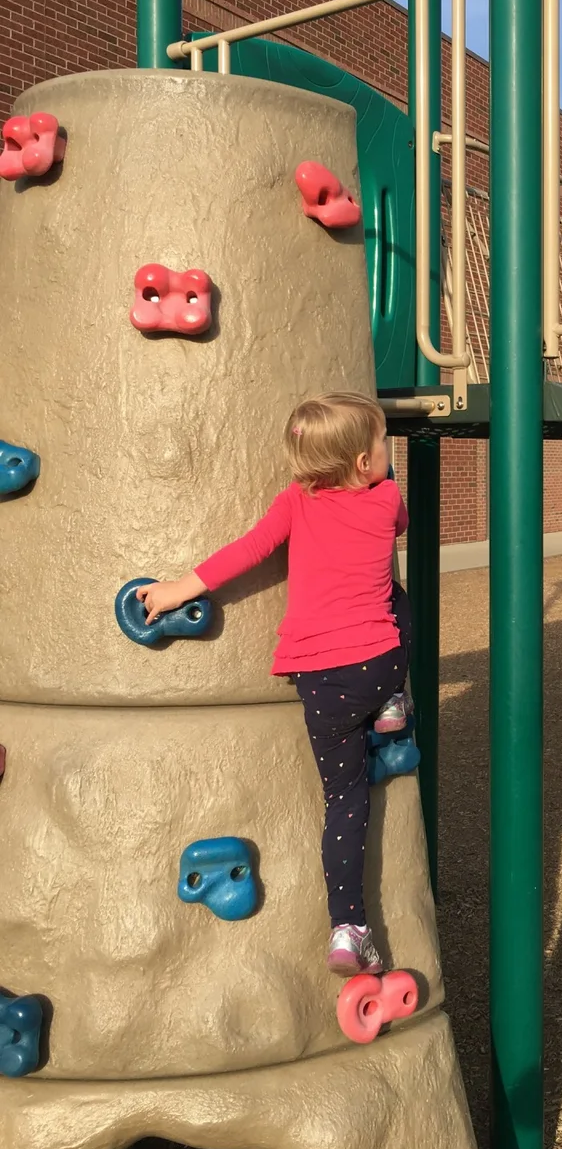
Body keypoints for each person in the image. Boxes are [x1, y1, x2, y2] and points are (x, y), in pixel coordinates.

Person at [136, 392, 411, 976]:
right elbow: (396, 529)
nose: (389, 452)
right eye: (384, 443)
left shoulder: (295, 503)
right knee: (398, 599)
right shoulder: (387, 497)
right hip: (377, 662)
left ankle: (347, 928)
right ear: (364, 463)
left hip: (318, 679)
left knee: (343, 799)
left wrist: (178, 589)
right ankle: (392, 700)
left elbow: (251, 550)